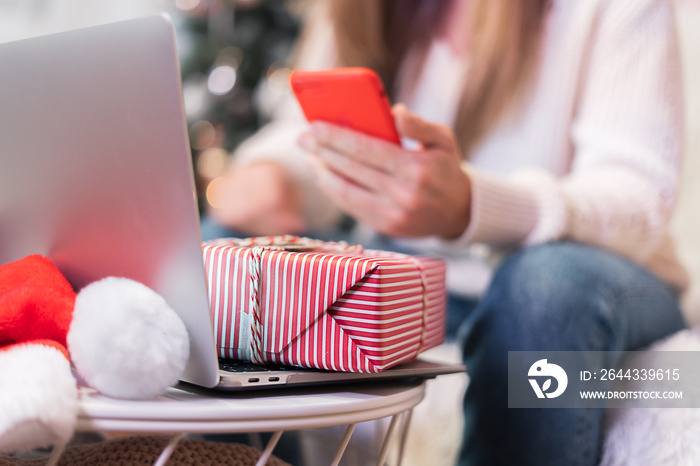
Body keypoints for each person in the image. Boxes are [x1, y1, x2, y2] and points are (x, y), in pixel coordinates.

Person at [204, 0, 689, 464]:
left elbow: (638, 201)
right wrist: (274, 174)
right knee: (220, 250)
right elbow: (306, 135)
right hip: (423, 277)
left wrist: (472, 206)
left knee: (543, 288)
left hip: (601, 278)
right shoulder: (364, 10)